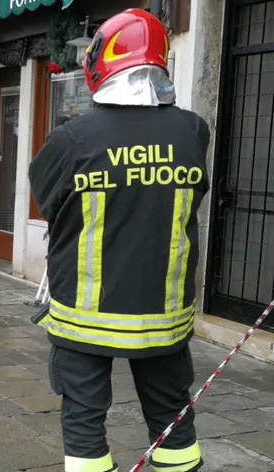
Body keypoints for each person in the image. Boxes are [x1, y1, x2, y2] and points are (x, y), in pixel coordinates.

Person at [28, 9, 209, 472]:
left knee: (85, 421)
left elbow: (48, 200)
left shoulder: (72, 139)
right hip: (164, 315)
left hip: (86, 317)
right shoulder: (192, 131)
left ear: (100, 62)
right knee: (173, 420)